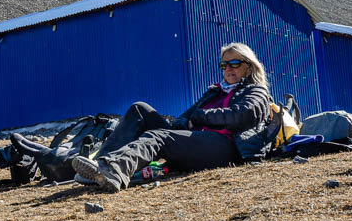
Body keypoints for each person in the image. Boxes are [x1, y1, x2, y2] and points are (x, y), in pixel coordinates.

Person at [72, 42, 273, 192]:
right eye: (224, 65)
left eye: (235, 63)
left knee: (159, 136)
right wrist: (179, 123)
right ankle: (99, 167)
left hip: (226, 146)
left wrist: (202, 118)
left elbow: (243, 116)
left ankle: (115, 171)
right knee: (140, 109)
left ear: (249, 65)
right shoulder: (216, 91)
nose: (229, 69)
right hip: (196, 142)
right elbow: (187, 117)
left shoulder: (255, 90)